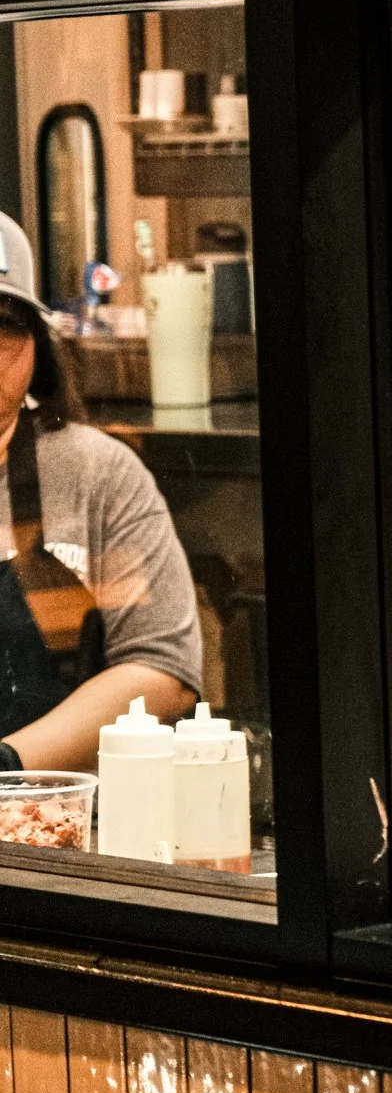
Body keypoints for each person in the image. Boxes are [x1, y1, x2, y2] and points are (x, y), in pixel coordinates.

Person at [0, 212, 199, 772]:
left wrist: (11, 767)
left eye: (5, 323)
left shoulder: (97, 475)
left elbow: (161, 671)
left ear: (36, 344)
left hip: (59, 827)